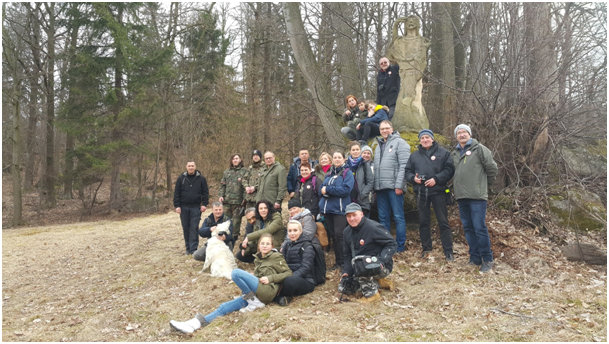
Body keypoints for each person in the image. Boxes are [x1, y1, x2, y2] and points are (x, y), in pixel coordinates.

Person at [169, 233, 292, 334]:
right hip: (257, 293)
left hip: (266, 291)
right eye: (262, 243)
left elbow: (288, 273)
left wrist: (270, 278)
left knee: (236, 273)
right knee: (224, 307)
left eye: (268, 244)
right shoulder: (258, 258)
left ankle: (253, 301)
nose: (265, 246)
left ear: (272, 245)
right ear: (259, 246)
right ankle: (194, 324)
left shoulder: (276, 257)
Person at [450, 124, 498, 273]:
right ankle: (475, 257)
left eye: (464, 132)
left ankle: (487, 259)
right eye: (459, 133)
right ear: (456, 136)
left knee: (479, 227)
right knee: (468, 228)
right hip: (461, 197)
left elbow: (492, 168)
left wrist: (484, 186)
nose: (462, 134)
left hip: (477, 196)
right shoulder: (454, 153)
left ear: (469, 134)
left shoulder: (480, 149)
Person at [405, 129, 455, 261]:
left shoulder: (443, 153)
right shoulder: (414, 155)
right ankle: (426, 248)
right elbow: (408, 171)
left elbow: (449, 169)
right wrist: (413, 179)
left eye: (427, 137)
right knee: (423, 221)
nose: (425, 140)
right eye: (422, 138)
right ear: (420, 141)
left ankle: (448, 251)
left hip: (438, 191)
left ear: (432, 139)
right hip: (421, 192)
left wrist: (436, 179)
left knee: (443, 222)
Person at [339, 203, 397, 303]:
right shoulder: (346, 232)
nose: (352, 219)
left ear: (361, 214)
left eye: (354, 215)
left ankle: (372, 295)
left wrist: (381, 261)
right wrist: (346, 272)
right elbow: (347, 255)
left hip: (381, 265)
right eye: (349, 216)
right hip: (359, 265)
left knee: (361, 266)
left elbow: (392, 244)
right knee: (345, 288)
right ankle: (380, 282)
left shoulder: (373, 227)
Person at [373, 120, 410, 252]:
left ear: (392, 128)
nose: (384, 131)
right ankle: (387, 245)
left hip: (394, 187)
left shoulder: (400, 143)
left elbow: (404, 166)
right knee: (383, 218)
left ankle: (400, 246)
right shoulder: (378, 146)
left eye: (387, 128)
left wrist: (399, 185)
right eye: (382, 129)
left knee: (398, 217)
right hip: (380, 188)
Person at [319, 151, 354, 270]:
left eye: (339, 157)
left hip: (340, 209)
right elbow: (321, 188)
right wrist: (325, 190)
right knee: (333, 235)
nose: (337, 159)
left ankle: (344, 262)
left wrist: (328, 190)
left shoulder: (347, 173)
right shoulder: (328, 173)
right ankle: (337, 262)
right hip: (328, 210)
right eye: (335, 157)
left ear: (344, 159)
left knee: (340, 236)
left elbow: (345, 190)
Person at [276, 220, 318, 306]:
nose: (292, 233)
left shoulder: (307, 246)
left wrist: (288, 276)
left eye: (295, 230)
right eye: (290, 231)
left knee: (289, 281)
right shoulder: (286, 245)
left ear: (301, 231)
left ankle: (278, 297)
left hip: (306, 280)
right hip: (287, 274)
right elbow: (282, 262)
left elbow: (306, 267)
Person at [173, 161, 209, 255]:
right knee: (186, 228)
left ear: (195, 167)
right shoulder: (181, 178)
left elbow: (205, 192)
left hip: (196, 207)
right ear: (186, 167)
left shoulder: (201, 179)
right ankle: (188, 248)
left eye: (192, 166)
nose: (191, 167)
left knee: (194, 228)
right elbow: (176, 193)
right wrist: (177, 206)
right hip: (184, 207)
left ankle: (193, 249)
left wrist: (204, 204)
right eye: (189, 166)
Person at [219, 154, 248, 244]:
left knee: (236, 222)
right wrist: (221, 195)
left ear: (240, 160)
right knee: (226, 221)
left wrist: (244, 198)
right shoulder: (226, 172)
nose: (235, 160)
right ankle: (224, 237)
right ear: (231, 161)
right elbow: (222, 185)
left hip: (238, 202)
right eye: (233, 159)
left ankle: (234, 239)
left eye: (237, 158)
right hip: (227, 201)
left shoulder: (245, 171)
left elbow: (246, 186)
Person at [346, 141, 374, 217]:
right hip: (349, 199)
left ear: (360, 151)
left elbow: (370, 182)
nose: (355, 151)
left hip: (362, 200)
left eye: (357, 149)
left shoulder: (365, 164)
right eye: (353, 150)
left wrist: (363, 194)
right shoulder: (346, 164)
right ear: (350, 151)